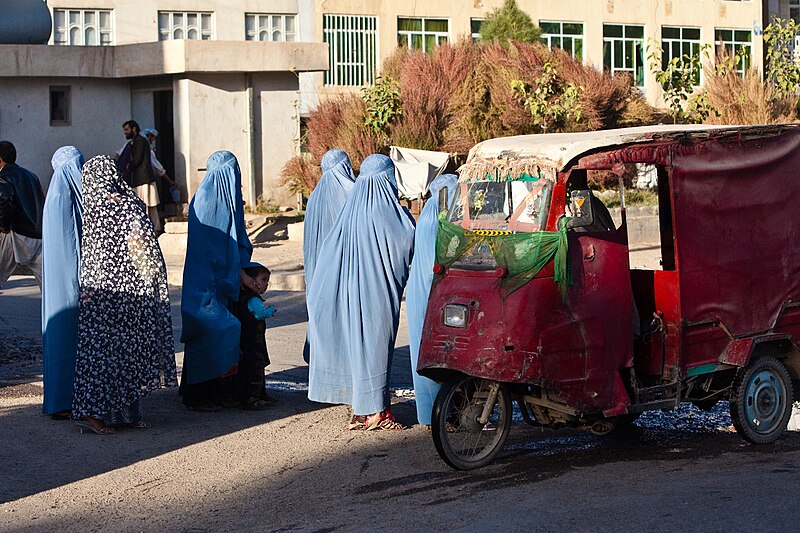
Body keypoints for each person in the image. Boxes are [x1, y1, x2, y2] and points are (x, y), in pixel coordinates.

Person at [307, 154, 415, 431]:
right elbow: (406, 243)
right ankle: (377, 411)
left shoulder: (350, 208)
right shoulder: (388, 211)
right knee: (376, 349)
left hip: (348, 291)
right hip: (377, 295)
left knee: (359, 347)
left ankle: (361, 409)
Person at [72, 156, 177, 434]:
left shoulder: (93, 207)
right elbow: (142, 244)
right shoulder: (128, 205)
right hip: (130, 293)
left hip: (100, 295)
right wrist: (152, 277)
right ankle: (122, 413)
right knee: (127, 352)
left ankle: (106, 414)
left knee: (102, 355)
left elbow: (90, 256)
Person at [180, 150, 256, 412]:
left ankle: (217, 392)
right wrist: (239, 275)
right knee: (220, 329)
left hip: (218, 283)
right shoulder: (210, 203)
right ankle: (200, 395)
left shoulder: (217, 199)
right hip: (206, 287)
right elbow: (213, 255)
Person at [406, 174, 458, 427]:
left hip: (420, 296)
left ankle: (429, 414)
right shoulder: (441, 218)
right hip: (435, 297)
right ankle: (446, 414)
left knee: (424, 352)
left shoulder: (427, 213)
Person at [41, 146, 84, 419]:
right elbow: (74, 245)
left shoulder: (55, 196)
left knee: (60, 337)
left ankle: (59, 398)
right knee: (69, 336)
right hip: (69, 282)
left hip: (58, 285)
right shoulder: (65, 199)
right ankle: (67, 399)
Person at [301, 148, 356, 362]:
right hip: (345, 271)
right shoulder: (353, 193)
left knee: (323, 315)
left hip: (316, 271)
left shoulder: (314, 197)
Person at [229, 262, 278, 410]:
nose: (266, 284)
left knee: (256, 367)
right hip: (253, 341)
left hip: (248, 339)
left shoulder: (243, 297)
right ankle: (253, 398)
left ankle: (260, 394)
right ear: (251, 280)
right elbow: (259, 313)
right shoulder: (253, 299)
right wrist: (271, 310)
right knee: (255, 368)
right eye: (263, 280)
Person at [0, 141, 45, 289]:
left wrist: (3, 225)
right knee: (47, 281)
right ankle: (57, 310)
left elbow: (4, 201)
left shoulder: (3, 177)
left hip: (14, 232)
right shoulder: (31, 176)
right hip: (37, 233)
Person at [117, 120, 161, 231]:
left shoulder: (139, 142)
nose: (125, 133)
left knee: (145, 205)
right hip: (143, 178)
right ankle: (155, 228)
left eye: (127, 130)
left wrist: (128, 167)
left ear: (134, 129)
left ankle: (147, 229)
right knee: (150, 206)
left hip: (142, 179)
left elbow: (136, 160)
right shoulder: (137, 141)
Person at [141, 128, 180, 205]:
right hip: (144, 179)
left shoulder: (132, 144)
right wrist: (169, 180)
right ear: (150, 137)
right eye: (153, 138)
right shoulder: (147, 149)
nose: (153, 141)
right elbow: (157, 166)